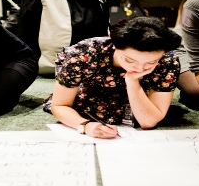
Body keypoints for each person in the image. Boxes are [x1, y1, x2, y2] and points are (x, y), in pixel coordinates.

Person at [43, 16, 181, 139]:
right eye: (130, 60)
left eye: (150, 63)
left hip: (139, 101)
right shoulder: (84, 54)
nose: (139, 69)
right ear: (115, 46)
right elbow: (60, 105)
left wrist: (132, 81)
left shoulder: (167, 61)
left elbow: (148, 121)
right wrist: (85, 125)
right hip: (87, 101)